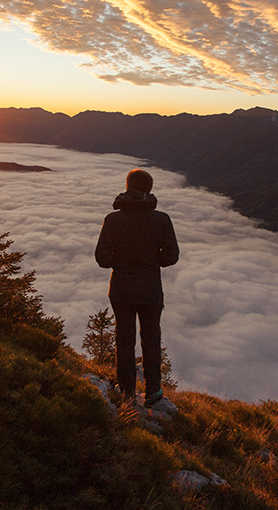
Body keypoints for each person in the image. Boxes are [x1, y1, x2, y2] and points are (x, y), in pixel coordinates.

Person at [95, 169, 179, 408]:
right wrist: (153, 261)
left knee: (124, 340)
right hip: (151, 290)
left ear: (128, 186)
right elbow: (172, 256)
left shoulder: (113, 220)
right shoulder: (161, 219)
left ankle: (127, 393)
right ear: (149, 189)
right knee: (151, 340)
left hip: (121, 290)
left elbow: (102, 258)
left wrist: (120, 262)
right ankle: (153, 393)